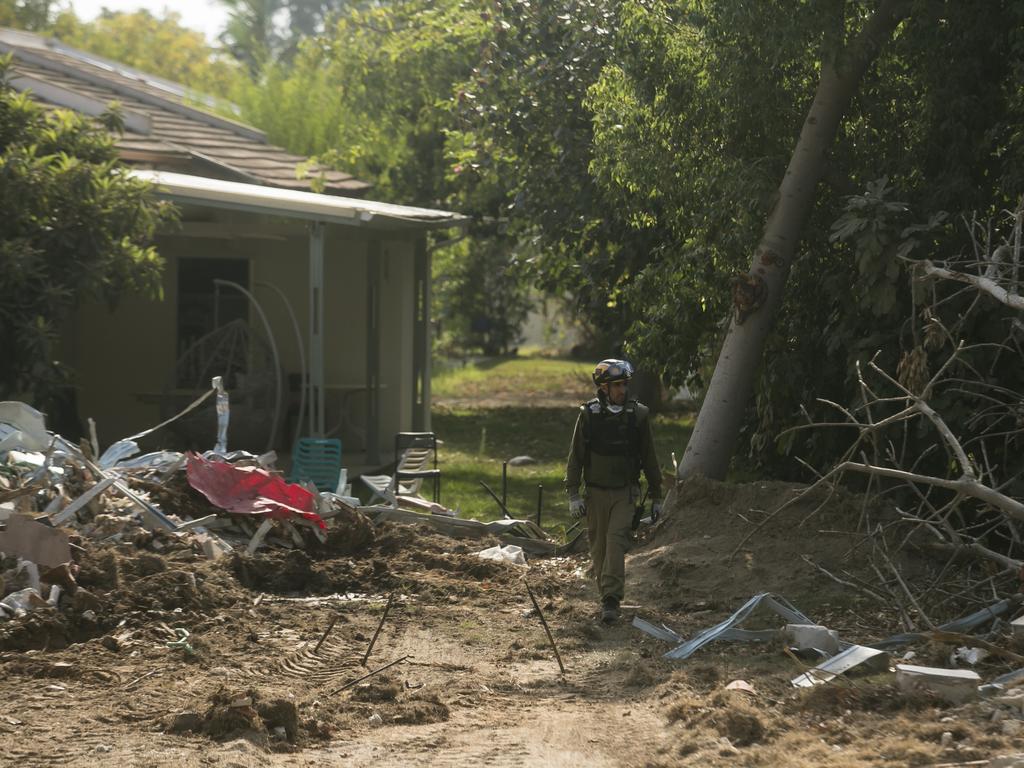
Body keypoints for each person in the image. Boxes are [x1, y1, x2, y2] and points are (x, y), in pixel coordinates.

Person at [564, 358, 663, 623]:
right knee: (598, 548)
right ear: (604, 388)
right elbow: (576, 457)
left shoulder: (638, 415)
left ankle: (611, 600)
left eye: (624, 384)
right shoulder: (588, 415)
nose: (622, 390)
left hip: (625, 493)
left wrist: (657, 496)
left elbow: (650, 458)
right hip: (595, 494)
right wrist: (573, 494)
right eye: (616, 385)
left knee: (616, 542)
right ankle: (605, 594)